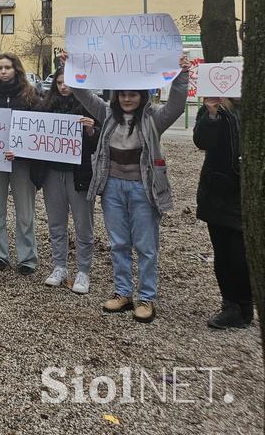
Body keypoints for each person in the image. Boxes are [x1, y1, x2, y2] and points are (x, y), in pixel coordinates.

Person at [64, 50, 191, 324]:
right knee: (118, 243)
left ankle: (146, 298)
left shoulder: (154, 119)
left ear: (142, 96)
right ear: (117, 96)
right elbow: (83, 94)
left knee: (146, 246)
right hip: (112, 189)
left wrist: (182, 74)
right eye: (123, 94)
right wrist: (68, 67)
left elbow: (178, 105)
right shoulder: (107, 114)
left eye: (133, 94)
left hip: (143, 190)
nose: (128, 98)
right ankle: (123, 293)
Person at [33, 66, 98, 293]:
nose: (63, 87)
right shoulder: (44, 108)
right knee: (56, 223)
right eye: (59, 82)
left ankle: (83, 271)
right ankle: (59, 266)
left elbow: (99, 143)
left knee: (83, 224)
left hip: (79, 174)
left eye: (68, 82)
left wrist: (91, 131)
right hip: (52, 173)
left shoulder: (90, 108)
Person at [0, 52, 41, 274]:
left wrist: (23, 151)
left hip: (22, 163)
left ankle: (27, 258)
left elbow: (37, 131)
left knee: (25, 212)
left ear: (17, 70)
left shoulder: (31, 97)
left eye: (7, 67)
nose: (3, 71)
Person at [193, 95, 253, 329]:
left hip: (244, 194)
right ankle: (231, 304)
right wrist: (211, 114)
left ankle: (245, 305)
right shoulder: (215, 110)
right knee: (224, 254)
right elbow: (201, 141)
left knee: (240, 256)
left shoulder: (255, 108)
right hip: (217, 193)